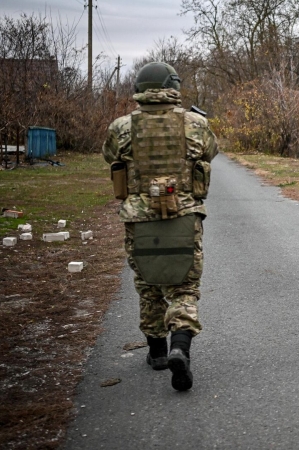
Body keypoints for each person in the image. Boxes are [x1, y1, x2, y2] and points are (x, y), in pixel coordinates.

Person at [103, 61, 218, 391]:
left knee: (148, 284)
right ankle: (179, 348)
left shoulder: (122, 126)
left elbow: (108, 155)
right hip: (183, 215)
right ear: (173, 87)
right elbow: (210, 152)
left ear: (139, 89)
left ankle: (156, 352)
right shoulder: (195, 123)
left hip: (139, 219)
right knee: (184, 287)